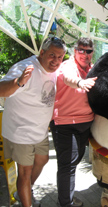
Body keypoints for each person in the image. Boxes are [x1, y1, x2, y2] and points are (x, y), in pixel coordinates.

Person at [0, 37, 67, 207]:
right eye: (52, 55)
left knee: (42, 161)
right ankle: (26, 202)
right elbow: (1, 90)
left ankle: (23, 191)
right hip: (20, 130)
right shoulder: (25, 68)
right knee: (25, 171)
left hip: (39, 131)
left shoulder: (55, 70)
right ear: (42, 52)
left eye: (60, 57)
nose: (56, 61)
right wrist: (19, 82)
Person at [49, 37, 97, 207]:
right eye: (81, 50)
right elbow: (68, 78)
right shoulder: (68, 66)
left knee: (73, 162)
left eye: (88, 51)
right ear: (75, 51)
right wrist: (80, 82)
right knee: (67, 166)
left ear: (93, 53)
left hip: (86, 124)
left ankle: (65, 197)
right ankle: (65, 203)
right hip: (65, 124)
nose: (84, 54)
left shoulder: (93, 69)